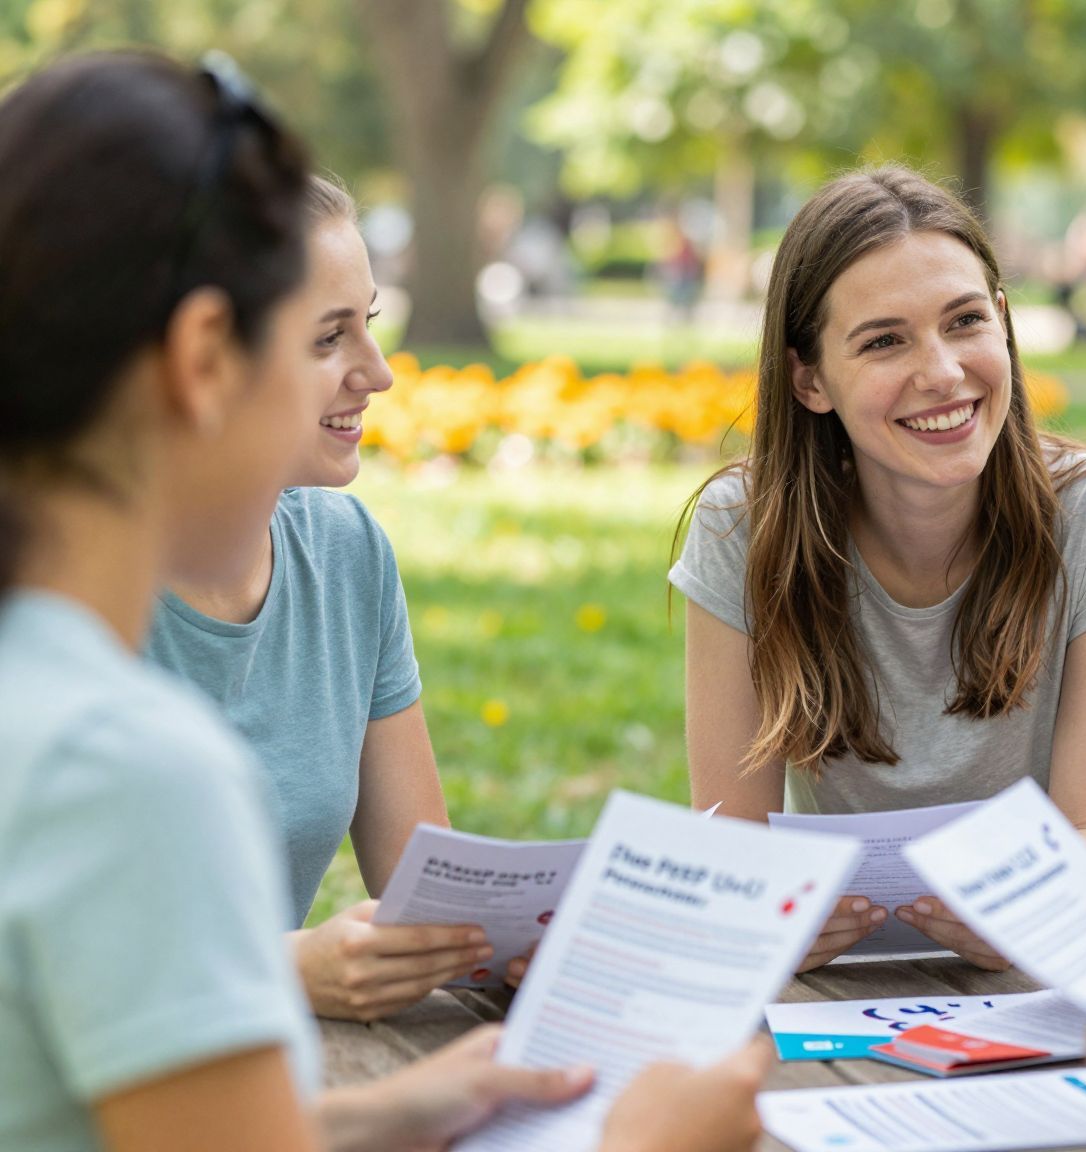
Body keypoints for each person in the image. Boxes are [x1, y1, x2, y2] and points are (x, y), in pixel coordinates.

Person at [0, 50, 768, 1152]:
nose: (378, 375)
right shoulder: (127, 772)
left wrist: (392, 1109)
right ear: (203, 360)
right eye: (309, 337)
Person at [671, 166, 1086, 972]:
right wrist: (766, 921)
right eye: (884, 341)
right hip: (821, 986)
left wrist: (1043, 906)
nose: (943, 371)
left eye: (965, 321)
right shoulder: (742, 529)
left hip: (1040, 975)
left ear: (1006, 325)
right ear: (810, 379)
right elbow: (735, 858)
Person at [144, 173, 467, 1024]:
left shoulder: (346, 552)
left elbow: (424, 886)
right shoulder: (63, 586)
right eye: (330, 339)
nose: (380, 374)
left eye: (371, 324)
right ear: (208, 358)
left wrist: (511, 937)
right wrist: (281, 970)